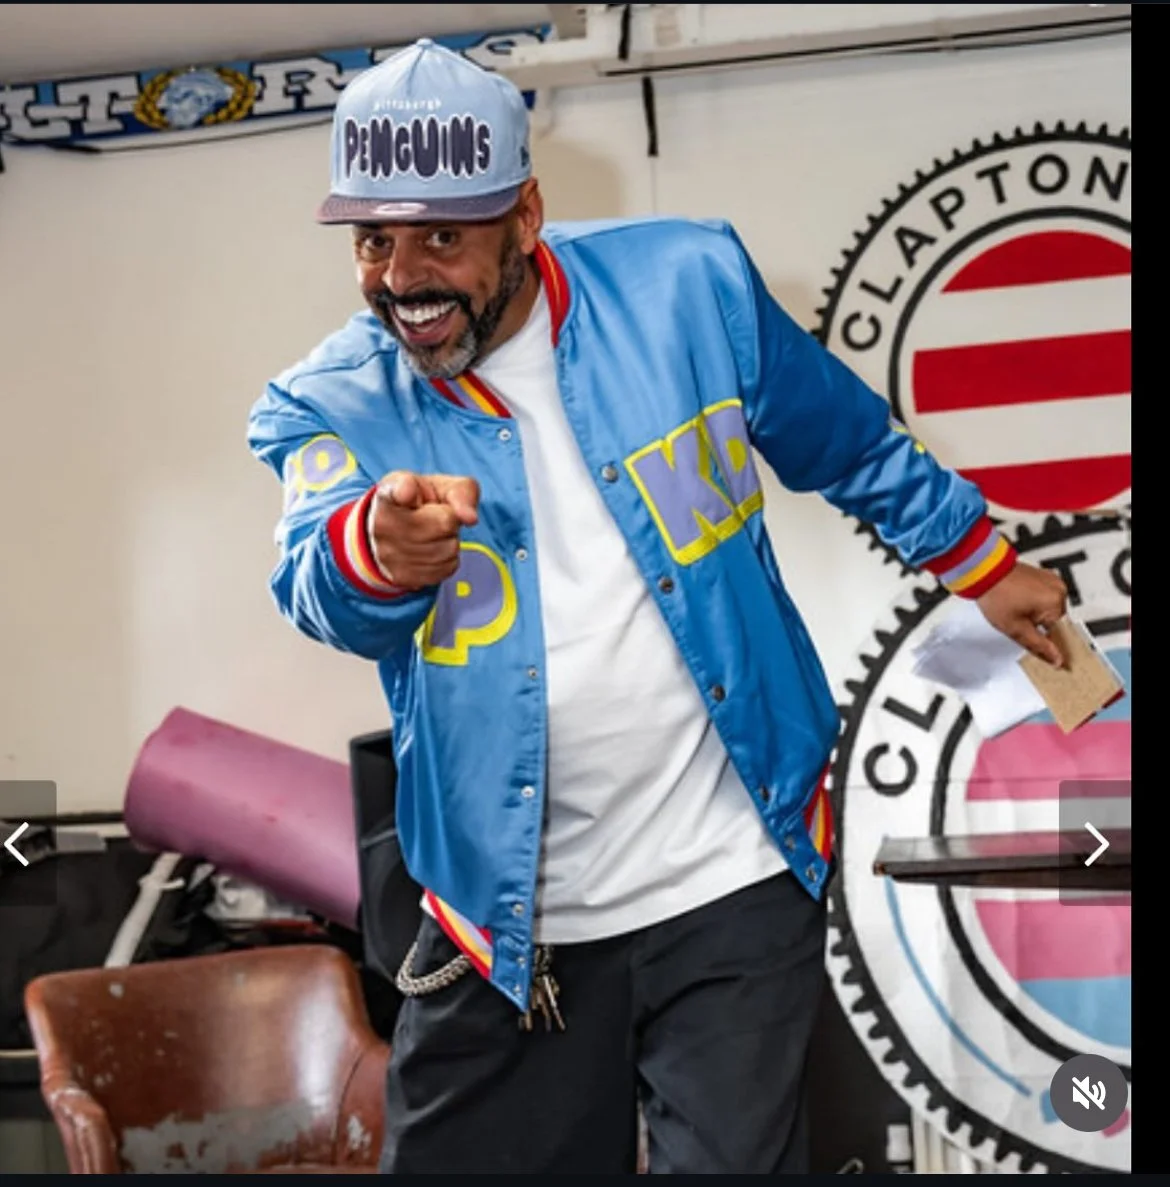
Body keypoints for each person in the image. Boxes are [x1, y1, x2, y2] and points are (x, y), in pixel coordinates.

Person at [247, 38, 1068, 1175]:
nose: (403, 275)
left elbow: (848, 443)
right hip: (508, 926)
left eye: (444, 233)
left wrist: (984, 561)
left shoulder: (693, 286)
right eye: (374, 239)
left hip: (730, 883)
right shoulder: (328, 401)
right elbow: (316, 580)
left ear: (524, 215)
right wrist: (376, 550)